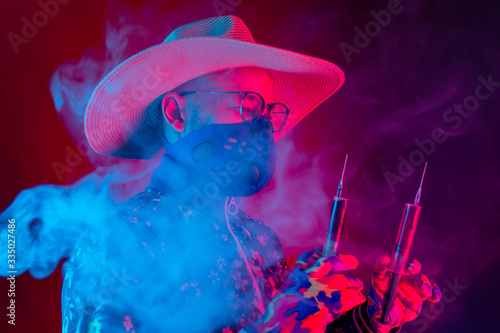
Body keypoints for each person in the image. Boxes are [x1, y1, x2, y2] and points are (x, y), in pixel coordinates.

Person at [61, 15, 441, 333]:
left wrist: (369, 317)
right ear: (177, 114)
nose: (261, 129)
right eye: (246, 105)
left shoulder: (261, 241)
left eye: (267, 112)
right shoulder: (113, 245)